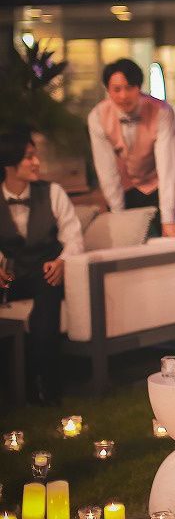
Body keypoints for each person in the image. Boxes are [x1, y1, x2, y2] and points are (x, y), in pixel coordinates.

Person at [0, 128, 83, 404]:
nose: (36, 162)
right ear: (9, 163)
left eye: (35, 156)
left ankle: (46, 385)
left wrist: (62, 261)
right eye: (29, 157)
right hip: (10, 276)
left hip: (44, 272)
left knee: (47, 296)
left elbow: (74, 237)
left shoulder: (53, 192)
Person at [87, 58, 175, 236]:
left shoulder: (162, 111)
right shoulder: (97, 116)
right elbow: (106, 170)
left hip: (156, 185)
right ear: (108, 90)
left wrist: (169, 219)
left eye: (129, 88)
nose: (123, 96)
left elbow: (168, 166)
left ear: (139, 87)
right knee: (123, 241)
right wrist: (117, 214)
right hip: (122, 187)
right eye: (117, 89)